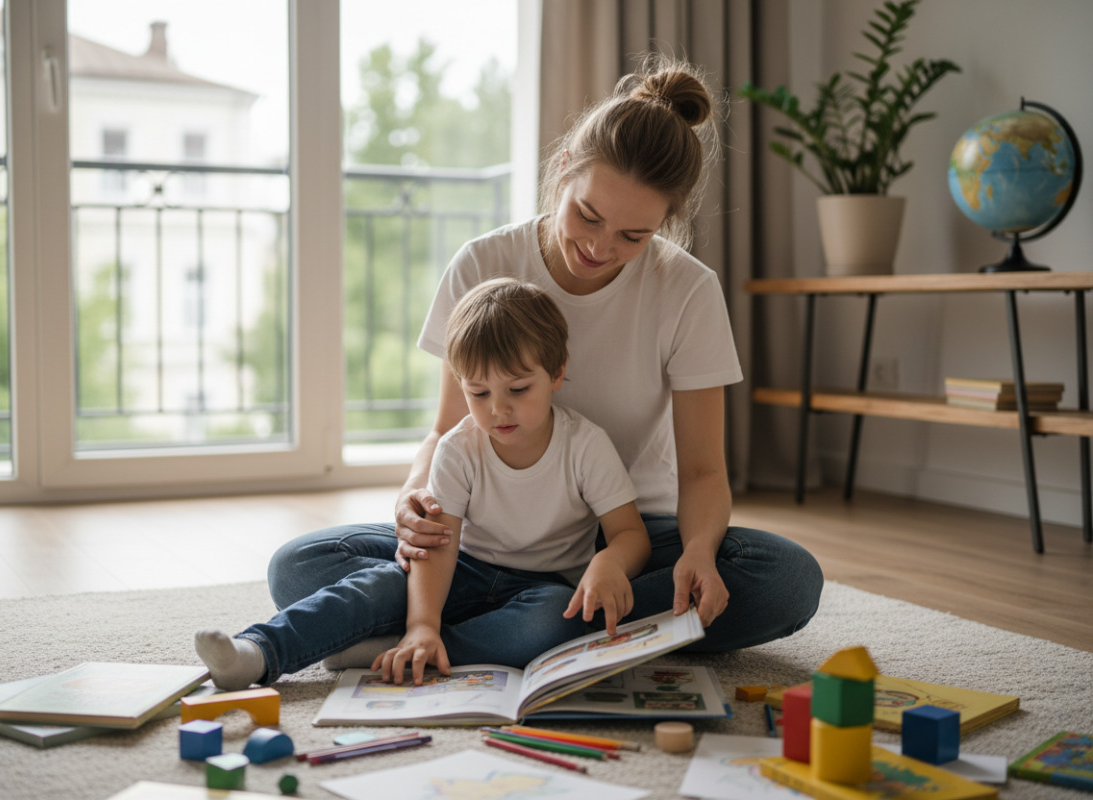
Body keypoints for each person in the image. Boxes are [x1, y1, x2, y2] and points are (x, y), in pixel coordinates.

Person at [267, 54, 823, 664]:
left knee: (785, 578)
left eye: (633, 236)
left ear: (666, 222)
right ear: (563, 170)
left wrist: (695, 553)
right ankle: (565, 633)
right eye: (587, 214)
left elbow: (701, 473)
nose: (599, 246)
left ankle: (458, 634)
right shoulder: (482, 264)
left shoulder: (687, 289)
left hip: (627, 535)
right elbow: (447, 428)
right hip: (483, 541)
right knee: (300, 567)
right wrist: (413, 496)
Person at [195, 277, 653, 688]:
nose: (498, 409)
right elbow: (439, 542)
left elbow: (629, 533)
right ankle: (258, 652)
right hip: (458, 569)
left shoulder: (586, 445)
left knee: (557, 622)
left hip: (541, 587)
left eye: (517, 390)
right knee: (304, 567)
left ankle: (379, 645)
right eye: (478, 393)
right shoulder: (459, 447)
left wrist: (612, 562)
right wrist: (422, 621)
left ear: (556, 373)